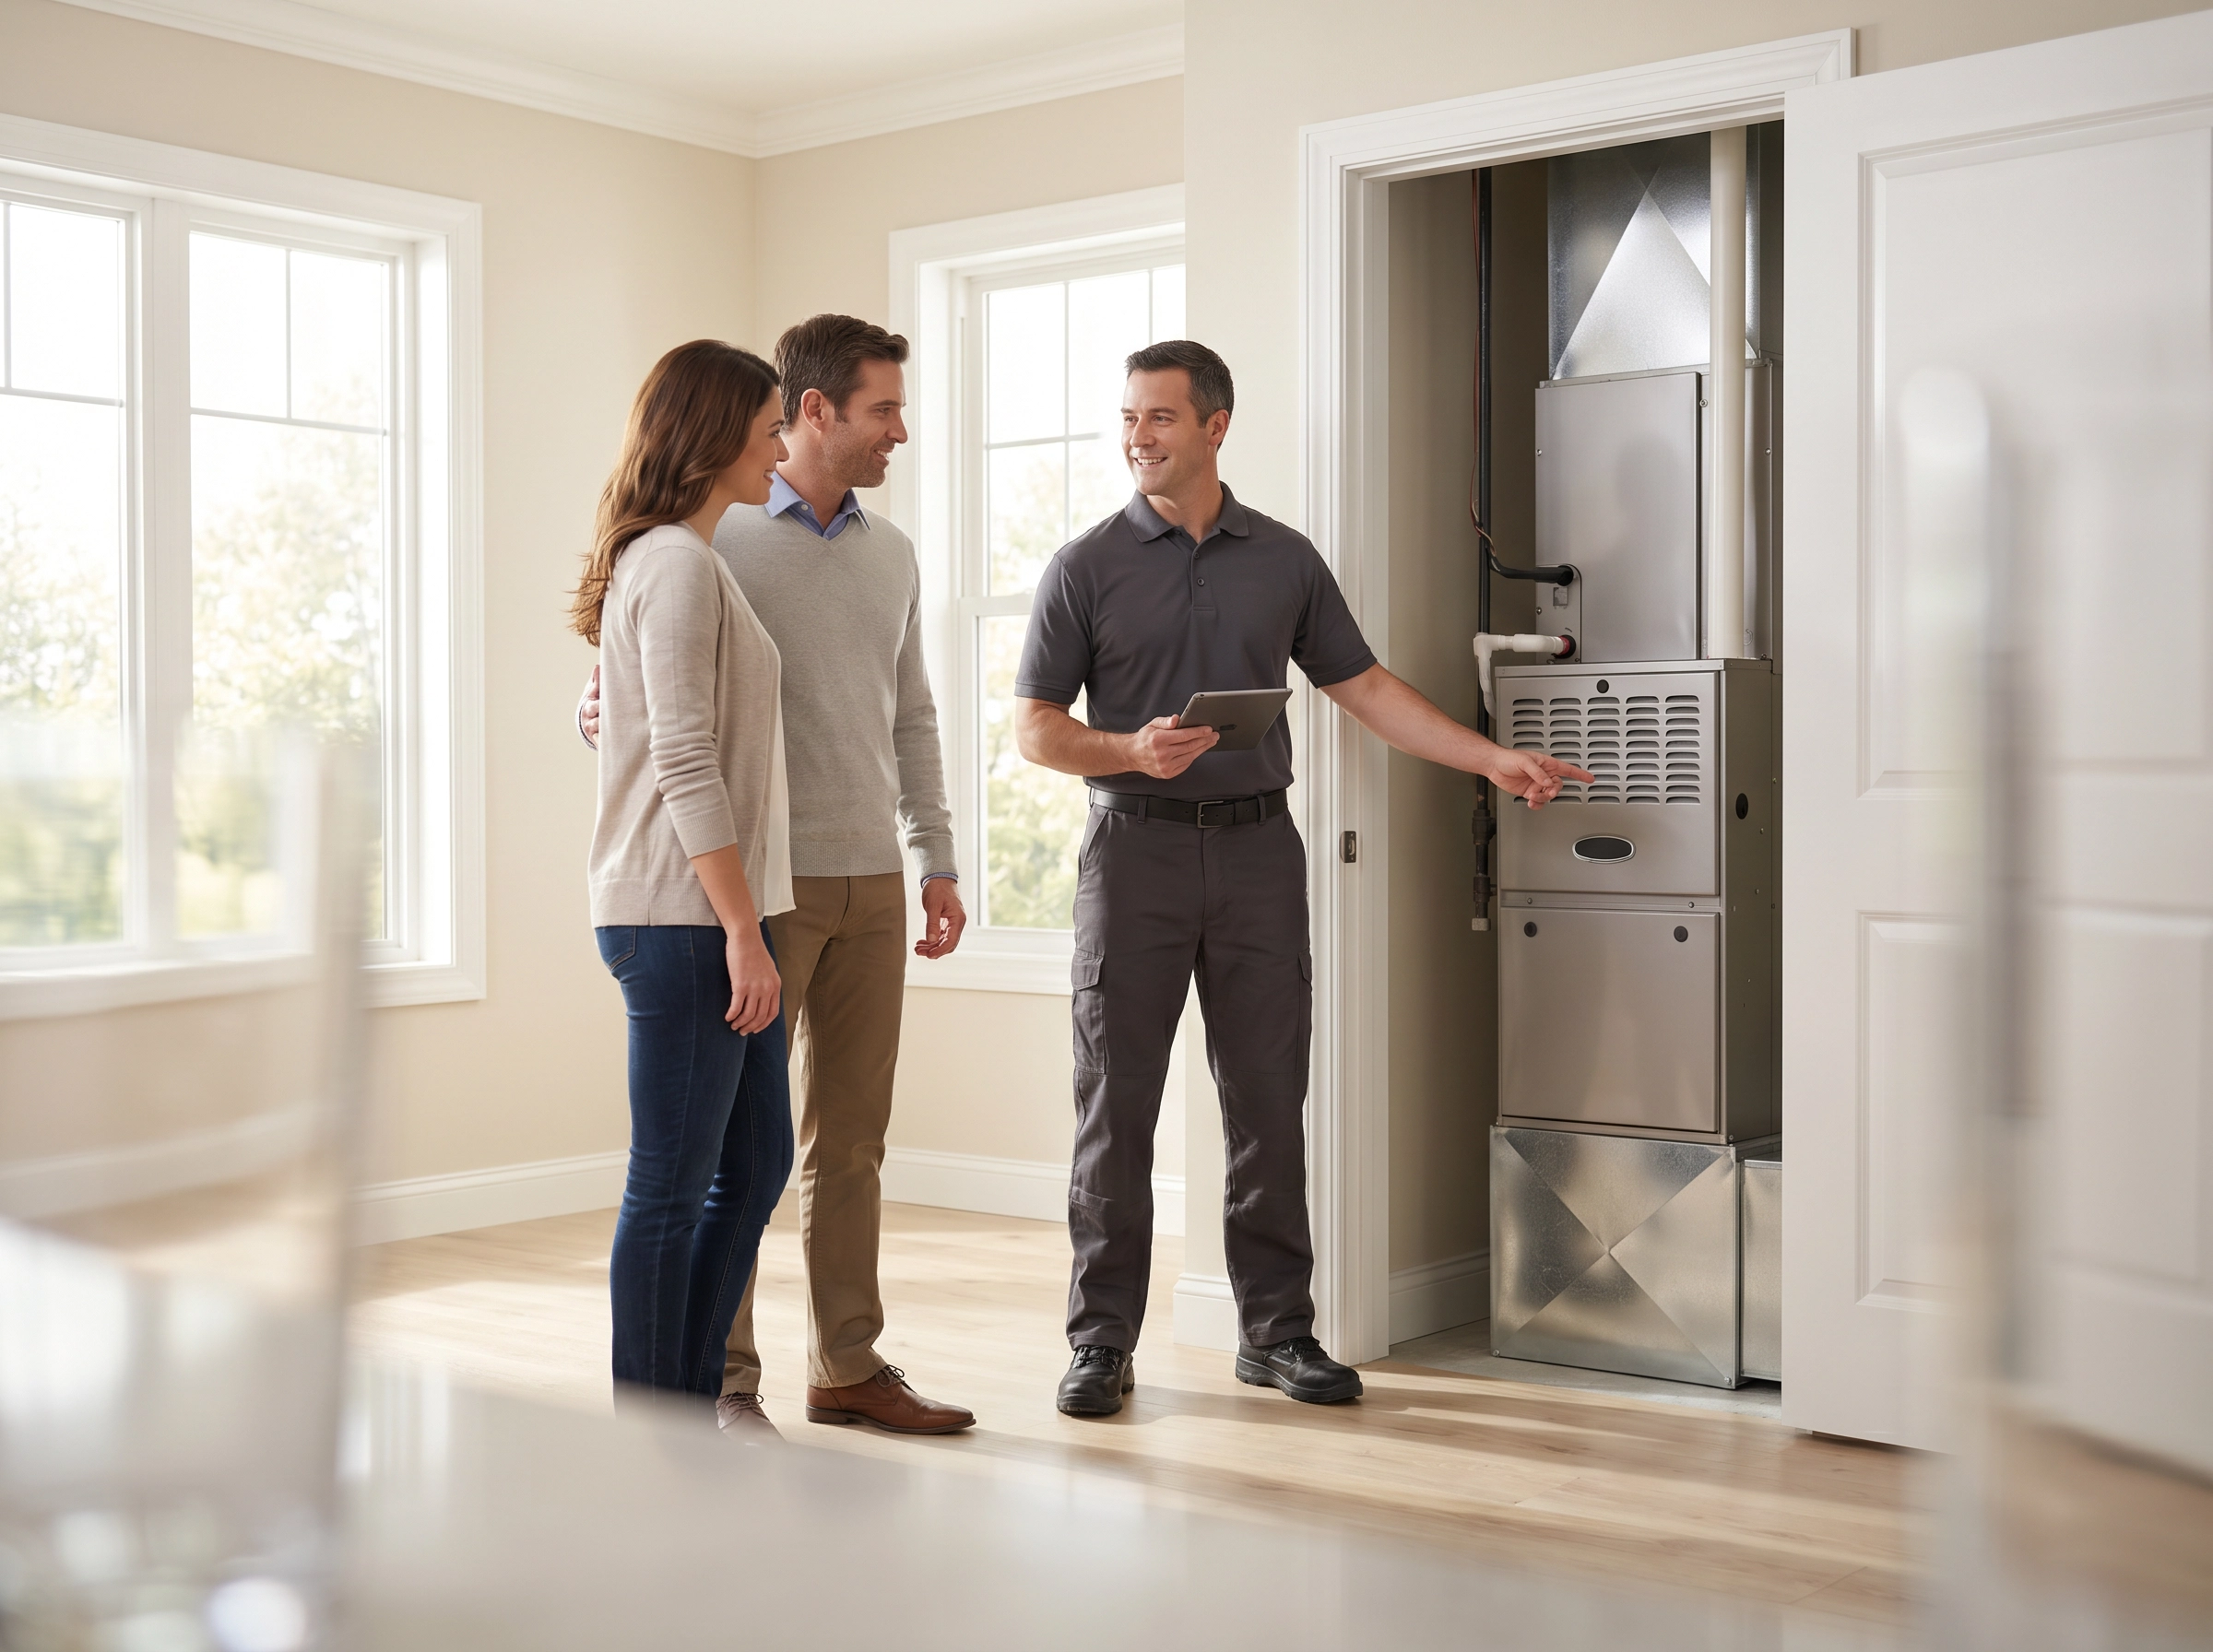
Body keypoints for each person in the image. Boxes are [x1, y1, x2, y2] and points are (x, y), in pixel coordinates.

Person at [1014, 340, 1592, 1417]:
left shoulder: (1282, 558)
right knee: (1115, 1110)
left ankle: (1276, 1334)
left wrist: (1493, 756)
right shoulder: (1084, 565)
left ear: (1216, 425)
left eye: (1161, 419)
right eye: (1130, 419)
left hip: (1256, 855)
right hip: (1129, 852)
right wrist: (1130, 751)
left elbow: (1362, 685)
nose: (1139, 437)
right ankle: (1100, 1343)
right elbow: (1037, 730)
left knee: (1270, 1107)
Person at [581, 315, 974, 1437]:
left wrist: (934, 851)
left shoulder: (892, 554)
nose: (901, 428)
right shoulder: (714, 541)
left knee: (836, 1142)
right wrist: (594, 708)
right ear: (812, 413)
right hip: (749, 889)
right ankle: (724, 1382)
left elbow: (912, 716)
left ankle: (846, 1363)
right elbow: (654, 709)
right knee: (707, 1161)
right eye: (884, 408)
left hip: (864, 879)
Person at [572, 339, 797, 1416]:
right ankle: (651, 1429)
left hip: (702, 914)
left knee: (753, 1163)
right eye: (767, 429)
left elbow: (641, 724)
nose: (780, 447)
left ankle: (687, 1394)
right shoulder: (672, 561)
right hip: (683, 919)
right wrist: (742, 929)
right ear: (718, 440)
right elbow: (683, 756)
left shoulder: (682, 562)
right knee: (670, 1181)